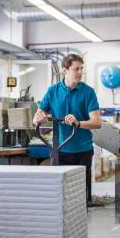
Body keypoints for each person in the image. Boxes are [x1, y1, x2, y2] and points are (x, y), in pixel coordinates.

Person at [33, 54, 102, 207]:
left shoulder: (88, 92)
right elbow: (36, 116)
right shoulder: (53, 91)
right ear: (64, 70)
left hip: (82, 151)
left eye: (81, 69)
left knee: (80, 197)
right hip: (59, 150)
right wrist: (38, 118)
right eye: (76, 69)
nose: (80, 72)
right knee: (57, 194)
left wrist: (78, 123)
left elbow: (97, 122)